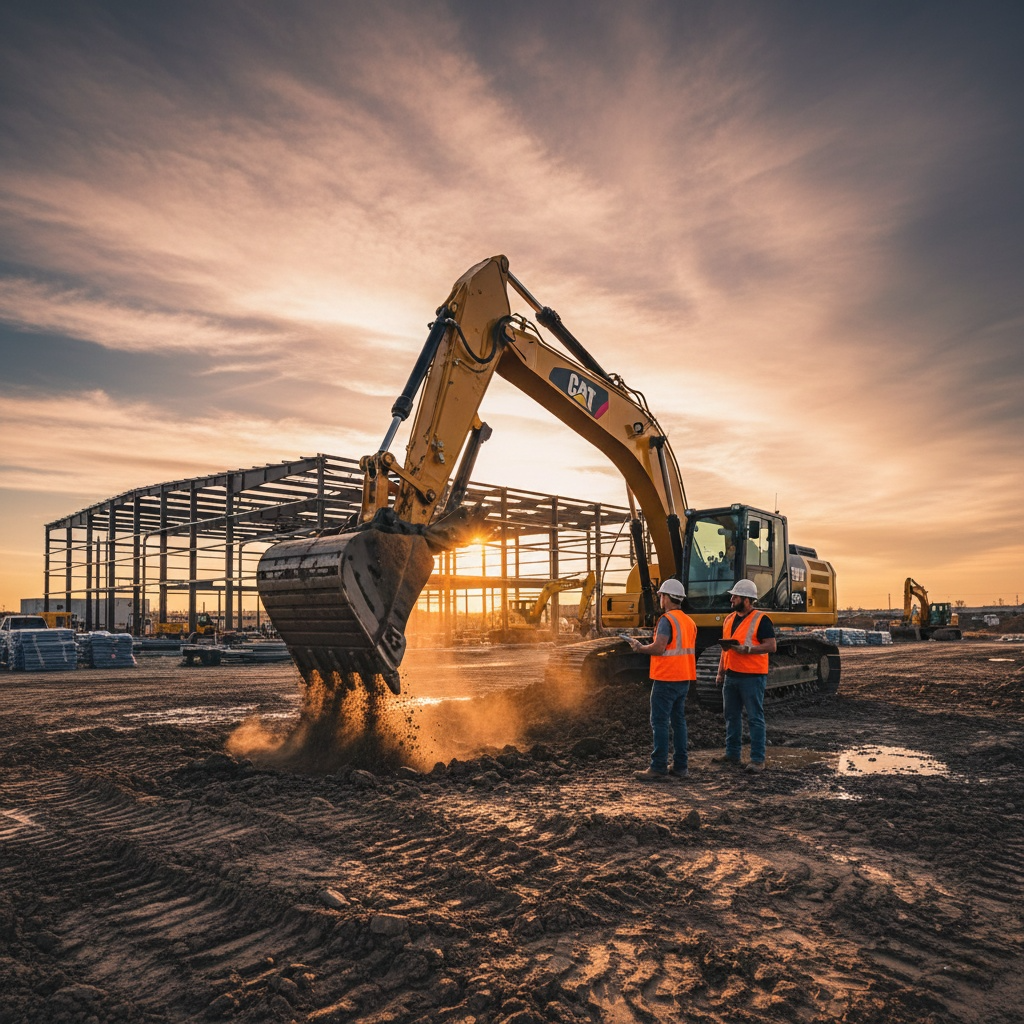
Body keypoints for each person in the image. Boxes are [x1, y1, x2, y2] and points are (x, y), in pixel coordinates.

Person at [625, 579, 697, 782]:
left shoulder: (667, 620)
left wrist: (640, 648)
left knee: (659, 722)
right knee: (678, 721)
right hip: (684, 677)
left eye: (660, 596)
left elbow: (659, 648)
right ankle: (681, 766)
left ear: (666, 597)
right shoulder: (688, 621)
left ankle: (658, 767)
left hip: (666, 678)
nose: (659, 600)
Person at [714, 578, 776, 772]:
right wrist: (720, 672)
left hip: (752, 677)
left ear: (747, 600)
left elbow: (771, 645)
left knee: (755, 718)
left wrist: (747, 650)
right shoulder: (729, 619)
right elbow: (726, 650)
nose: (731, 599)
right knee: (731, 716)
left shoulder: (761, 619)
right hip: (731, 676)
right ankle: (732, 754)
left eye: (735, 596)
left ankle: (758, 760)